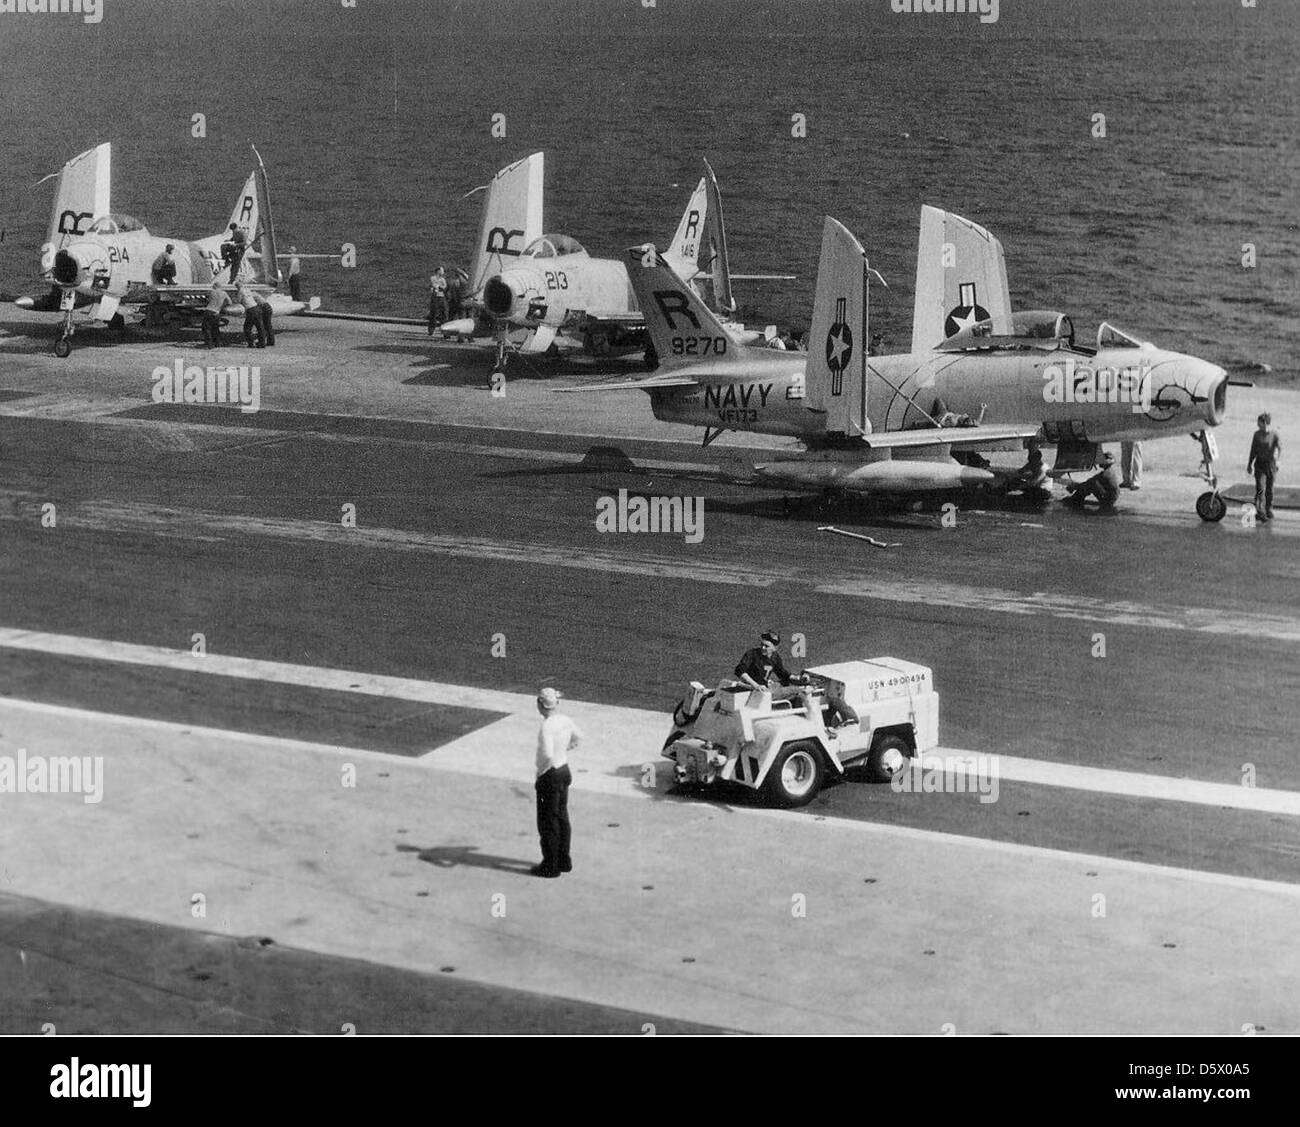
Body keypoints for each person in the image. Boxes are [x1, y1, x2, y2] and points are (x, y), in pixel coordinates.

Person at [533, 686, 580, 878]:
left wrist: (541, 770)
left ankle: (550, 865)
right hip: (564, 770)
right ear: (557, 704)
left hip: (550, 775)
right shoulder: (565, 720)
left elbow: (546, 754)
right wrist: (566, 749)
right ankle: (564, 860)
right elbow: (579, 737)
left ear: (540, 705)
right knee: (562, 818)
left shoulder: (547, 726)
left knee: (547, 822)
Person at [735, 631, 802, 692]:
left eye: (766, 646)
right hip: (756, 689)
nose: (763, 648)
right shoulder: (752, 654)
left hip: (764, 686)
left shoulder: (775, 657)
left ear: (775, 648)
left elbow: (782, 673)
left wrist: (797, 678)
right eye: (762, 644)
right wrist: (756, 686)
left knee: (786, 682)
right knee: (798, 691)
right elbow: (740, 670)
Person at [1247, 412, 1281, 522]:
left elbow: (1278, 448)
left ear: (1265, 423)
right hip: (1259, 464)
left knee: (1270, 489)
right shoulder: (1257, 434)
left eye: (1259, 423)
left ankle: (1269, 509)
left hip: (1270, 464)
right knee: (1260, 488)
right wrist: (1249, 464)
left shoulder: (1274, 434)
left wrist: (1277, 460)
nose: (1258, 425)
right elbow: (1253, 450)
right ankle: (1260, 512)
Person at [201, 282, 228, 348]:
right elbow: (229, 302)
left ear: (215, 286)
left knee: (206, 328)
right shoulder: (224, 293)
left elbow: (208, 300)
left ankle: (209, 344)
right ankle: (218, 343)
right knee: (215, 328)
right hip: (217, 312)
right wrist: (222, 305)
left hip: (209, 311)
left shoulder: (211, 292)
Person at [428, 267, 448, 333]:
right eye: (442, 271)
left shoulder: (443, 279)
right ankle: (431, 328)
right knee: (434, 313)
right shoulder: (432, 278)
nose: (443, 272)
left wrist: (439, 286)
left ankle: (445, 330)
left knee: (444, 313)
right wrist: (439, 286)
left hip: (442, 297)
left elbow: (444, 287)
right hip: (435, 297)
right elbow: (434, 286)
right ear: (438, 271)